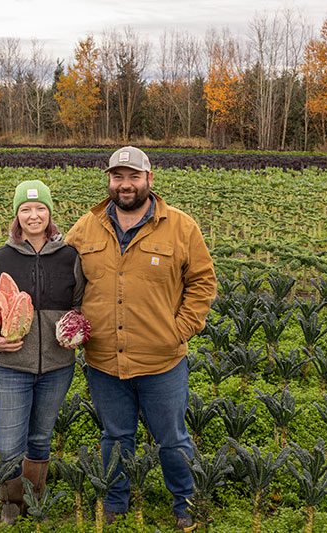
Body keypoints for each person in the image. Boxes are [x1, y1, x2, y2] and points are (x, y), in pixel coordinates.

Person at [66, 146, 217, 530]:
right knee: (115, 436)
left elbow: (202, 283)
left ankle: (186, 504)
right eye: (118, 177)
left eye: (134, 176)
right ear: (109, 181)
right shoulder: (85, 228)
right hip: (103, 360)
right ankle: (116, 502)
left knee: (172, 438)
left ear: (150, 179)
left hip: (161, 360)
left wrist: (179, 330)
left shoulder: (181, 227)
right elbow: (62, 281)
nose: (126, 184)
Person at [0, 179, 84, 524]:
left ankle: (35, 498)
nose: (34, 215)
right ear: (17, 215)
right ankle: (12, 504)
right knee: (9, 445)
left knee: (41, 437)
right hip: (10, 367)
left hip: (58, 366)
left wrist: (75, 331)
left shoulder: (69, 257)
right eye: (26, 209)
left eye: (40, 208)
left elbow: (80, 306)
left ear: (50, 213)